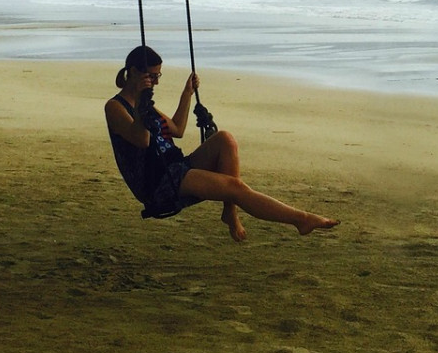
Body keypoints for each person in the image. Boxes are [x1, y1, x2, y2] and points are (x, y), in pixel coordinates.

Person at [105, 45, 338, 242]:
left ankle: (230, 211)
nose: (155, 82)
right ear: (134, 73)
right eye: (151, 76)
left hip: (175, 166)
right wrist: (141, 104)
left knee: (225, 139)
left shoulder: (147, 106)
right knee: (235, 187)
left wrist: (187, 93)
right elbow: (142, 140)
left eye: (158, 76)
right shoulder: (116, 107)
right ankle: (301, 219)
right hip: (157, 182)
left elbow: (177, 129)